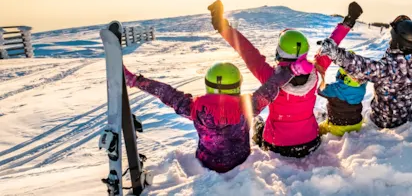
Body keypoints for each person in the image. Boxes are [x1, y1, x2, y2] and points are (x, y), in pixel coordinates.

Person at [208, 0, 363, 158]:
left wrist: (223, 27)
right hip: (310, 142)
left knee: (258, 125)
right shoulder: (316, 71)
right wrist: (348, 21)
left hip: (277, 145)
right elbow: (331, 45)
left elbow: (248, 52)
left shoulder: (271, 78)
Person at [122, 58, 313, 173]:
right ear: (237, 85)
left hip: (207, 161)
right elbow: (271, 87)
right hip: (240, 159)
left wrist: (136, 81)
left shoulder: (194, 107)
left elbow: (166, 93)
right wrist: (292, 71)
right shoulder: (247, 106)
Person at [319, 3, 412, 129]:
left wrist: (334, 52)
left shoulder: (388, 69)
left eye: (393, 38)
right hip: (411, 116)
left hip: (384, 123)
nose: (390, 41)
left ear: (399, 43)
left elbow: (359, 65)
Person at [317, 52, 368, 136]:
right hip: (357, 124)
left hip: (337, 127)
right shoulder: (361, 86)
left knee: (319, 128)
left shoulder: (334, 89)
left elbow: (319, 90)